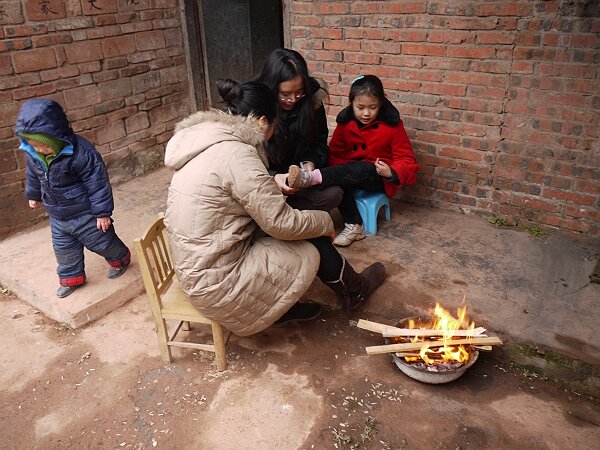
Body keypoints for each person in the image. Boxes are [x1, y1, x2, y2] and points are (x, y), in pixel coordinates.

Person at [163, 79, 386, 337]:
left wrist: (270, 182)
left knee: (296, 226)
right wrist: (325, 223)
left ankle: (289, 304)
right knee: (310, 237)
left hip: (197, 273)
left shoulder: (208, 142)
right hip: (219, 285)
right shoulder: (239, 155)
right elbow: (282, 223)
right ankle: (354, 289)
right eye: (275, 123)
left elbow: (226, 191)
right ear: (261, 122)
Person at [15, 99, 130, 298]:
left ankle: (120, 258)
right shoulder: (33, 154)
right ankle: (71, 278)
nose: (40, 150)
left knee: (102, 242)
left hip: (85, 213)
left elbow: (98, 182)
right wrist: (33, 195)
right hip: (57, 216)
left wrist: (102, 213)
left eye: (44, 146)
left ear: (56, 138)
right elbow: (33, 175)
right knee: (64, 249)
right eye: (34, 146)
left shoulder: (81, 153)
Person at [287, 75, 420, 246]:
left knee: (362, 168)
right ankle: (355, 225)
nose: (366, 113)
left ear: (381, 104)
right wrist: (336, 172)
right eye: (360, 107)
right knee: (341, 179)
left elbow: (406, 158)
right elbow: (335, 153)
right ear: (351, 104)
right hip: (349, 173)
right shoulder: (345, 123)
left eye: (373, 107)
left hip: (377, 176)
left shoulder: (393, 126)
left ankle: (309, 178)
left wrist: (391, 172)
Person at [250, 48, 343, 211]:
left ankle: (282, 212)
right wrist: (272, 177)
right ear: (272, 87)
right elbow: (244, 160)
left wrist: (309, 164)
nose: (292, 99)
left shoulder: (312, 100)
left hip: (296, 180)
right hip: (264, 180)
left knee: (333, 194)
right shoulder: (253, 103)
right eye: (285, 94)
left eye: (299, 92)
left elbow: (319, 143)